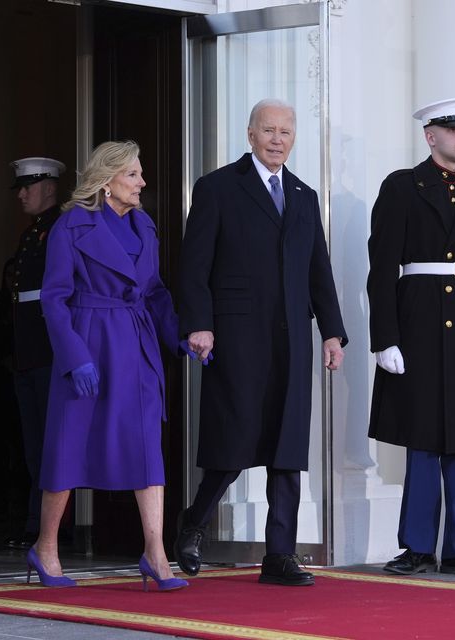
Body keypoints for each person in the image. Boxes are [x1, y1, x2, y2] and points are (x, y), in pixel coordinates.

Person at [175, 98, 347, 587]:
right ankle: (194, 523)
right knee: (234, 441)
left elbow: (319, 272)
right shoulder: (217, 188)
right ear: (250, 134)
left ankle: (279, 555)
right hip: (236, 337)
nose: (277, 139)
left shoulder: (304, 195)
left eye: (286, 132)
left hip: (292, 339)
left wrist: (332, 332)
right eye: (268, 130)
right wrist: (198, 324)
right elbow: (194, 266)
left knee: (287, 448)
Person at [30, 140, 190, 591]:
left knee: (145, 446)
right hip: (88, 341)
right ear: (107, 181)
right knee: (69, 445)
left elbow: (155, 292)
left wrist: (178, 337)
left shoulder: (144, 226)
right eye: (133, 175)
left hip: (136, 345)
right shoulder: (70, 227)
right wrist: (75, 356)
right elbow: (54, 298)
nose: (142, 182)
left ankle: (156, 554)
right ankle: (46, 548)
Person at [366, 97, 455, 577]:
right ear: (430, 136)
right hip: (420, 325)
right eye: (451, 130)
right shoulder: (402, 187)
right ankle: (418, 546)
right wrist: (384, 338)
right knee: (422, 440)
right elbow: (382, 267)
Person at [4, 156, 66, 550]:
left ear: (49, 187)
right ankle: (33, 522)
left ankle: (43, 529)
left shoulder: (61, 227)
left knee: (50, 442)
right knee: (33, 444)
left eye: (29, 186)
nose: (22, 194)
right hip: (27, 348)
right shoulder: (32, 233)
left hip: (48, 348)